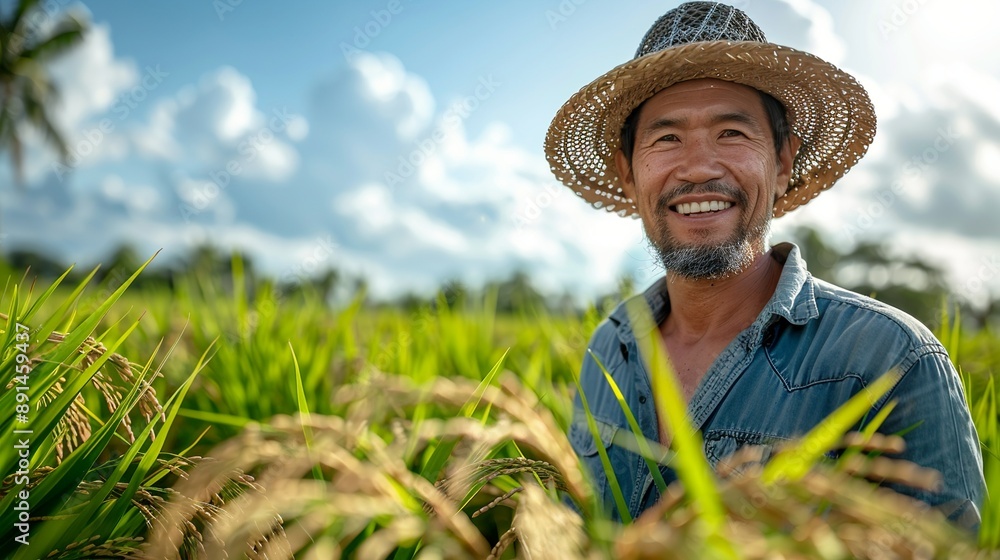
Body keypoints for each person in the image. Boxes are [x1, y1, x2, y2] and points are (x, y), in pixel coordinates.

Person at [545, 2, 984, 527]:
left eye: (731, 133)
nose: (699, 168)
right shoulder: (607, 350)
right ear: (627, 172)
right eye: (666, 138)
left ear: (782, 162)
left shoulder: (890, 361)